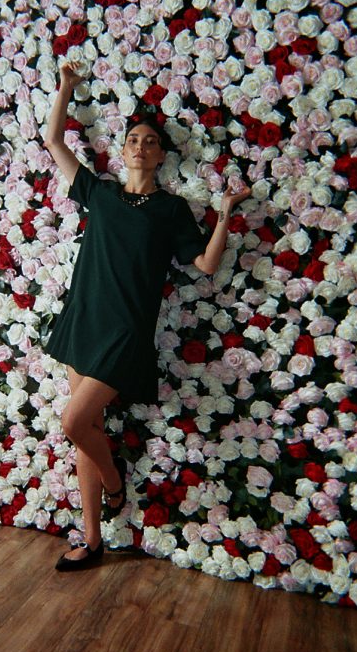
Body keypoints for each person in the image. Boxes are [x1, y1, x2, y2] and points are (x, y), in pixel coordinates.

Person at [43, 61, 251, 571]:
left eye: (150, 142)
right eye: (133, 139)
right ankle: (93, 539)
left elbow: (205, 265)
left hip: (125, 331)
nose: (140, 146)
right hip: (83, 317)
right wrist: (66, 88)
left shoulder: (171, 210)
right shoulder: (100, 193)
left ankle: (115, 484)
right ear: (123, 149)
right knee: (86, 428)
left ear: (161, 156)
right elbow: (53, 140)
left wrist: (225, 214)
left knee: (74, 423)